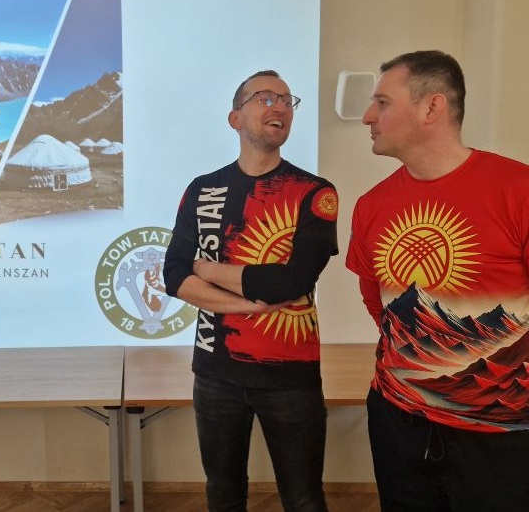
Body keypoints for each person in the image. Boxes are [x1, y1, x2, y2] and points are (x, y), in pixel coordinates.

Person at [347, 50, 529, 511]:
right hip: (398, 423)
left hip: (501, 434)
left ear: (432, 107)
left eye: (382, 102)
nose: (368, 116)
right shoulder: (371, 205)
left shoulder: (518, 191)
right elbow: (377, 303)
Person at [164, 70, 339, 511]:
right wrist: (251, 303)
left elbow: (293, 281)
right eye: (265, 97)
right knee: (222, 494)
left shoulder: (315, 192)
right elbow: (173, 275)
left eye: (287, 100)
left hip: (291, 378)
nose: (279, 106)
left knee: (304, 499)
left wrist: (207, 269)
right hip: (215, 374)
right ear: (235, 118)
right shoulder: (202, 189)